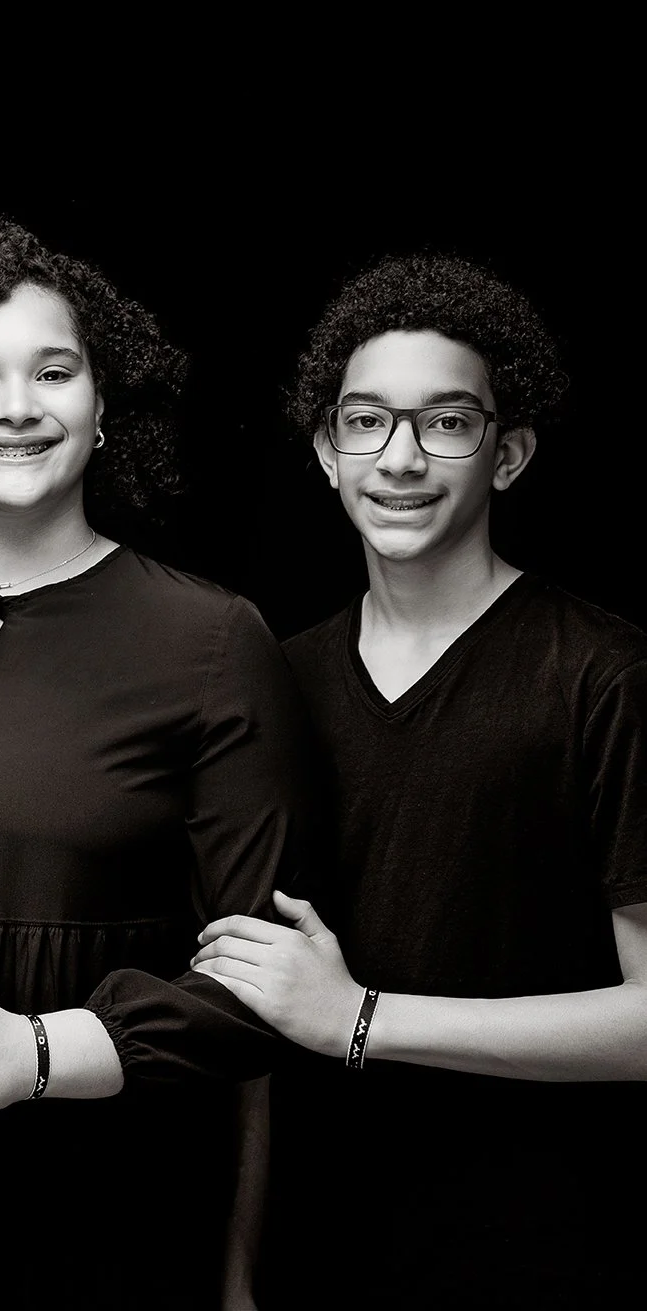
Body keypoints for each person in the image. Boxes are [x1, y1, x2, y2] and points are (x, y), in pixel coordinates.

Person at [0, 220, 319, 1308]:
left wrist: (35, 1052)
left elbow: (264, 986)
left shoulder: (211, 641)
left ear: (104, 405)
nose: (16, 405)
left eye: (54, 371)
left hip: (104, 1205)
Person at [191, 255, 646, 1308]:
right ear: (324, 449)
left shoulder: (602, 676)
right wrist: (237, 1269)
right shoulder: (272, 678)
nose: (400, 458)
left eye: (446, 423)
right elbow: (261, 1004)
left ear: (509, 453)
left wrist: (363, 1019)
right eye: (365, 423)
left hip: (545, 1247)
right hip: (320, 1252)